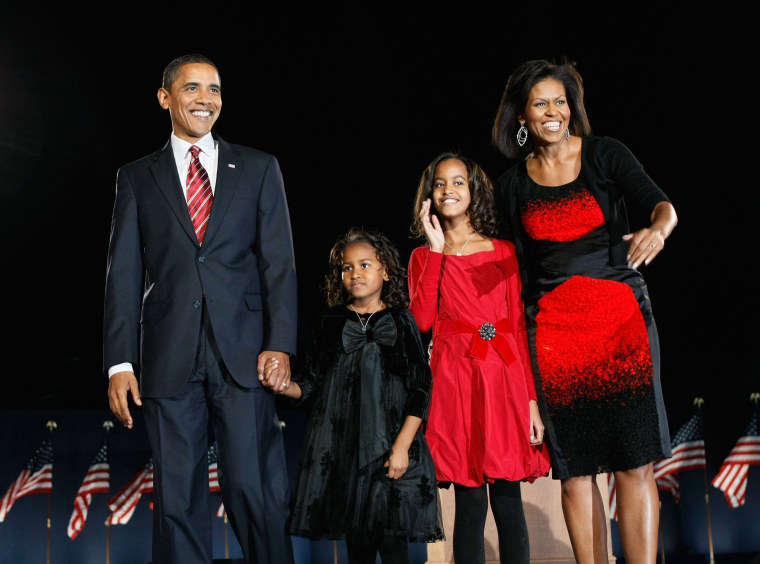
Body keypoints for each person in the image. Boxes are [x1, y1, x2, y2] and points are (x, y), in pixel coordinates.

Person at [103, 53, 297, 564]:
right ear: (166, 98)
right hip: (169, 356)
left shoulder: (258, 167)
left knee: (255, 490)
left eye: (213, 89)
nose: (205, 99)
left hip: (245, 353)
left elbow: (279, 264)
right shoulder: (136, 177)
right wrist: (120, 362)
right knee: (178, 499)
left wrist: (280, 343)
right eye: (192, 88)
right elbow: (122, 273)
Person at [490, 58, 678, 564]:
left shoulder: (604, 155)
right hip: (554, 337)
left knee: (634, 465)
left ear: (571, 109)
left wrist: (656, 230)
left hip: (622, 326)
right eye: (540, 103)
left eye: (560, 101)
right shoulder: (510, 186)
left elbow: (662, 207)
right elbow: (515, 277)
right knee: (575, 474)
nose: (553, 111)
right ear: (521, 117)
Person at [261, 227, 444, 564]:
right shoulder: (330, 321)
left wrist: (402, 446)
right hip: (346, 451)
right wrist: (283, 385)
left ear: (385, 271)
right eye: (347, 268)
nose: (355, 273)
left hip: (394, 448)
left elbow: (421, 387)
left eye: (364, 265)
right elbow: (312, 382)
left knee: (393, 545)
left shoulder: (401, 321)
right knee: (358, 547)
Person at [407, 152, 551, 564]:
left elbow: (517, 331)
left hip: (501, 377)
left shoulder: (503, 251)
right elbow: (420, 321)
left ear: (473, 192)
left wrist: (530, 404)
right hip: (455, 382)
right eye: (440, 183)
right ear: (429, 195)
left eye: (458, 182)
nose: (448, 190)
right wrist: (435, 250)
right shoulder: (423, 257)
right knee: (470, 505)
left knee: (507, 500)